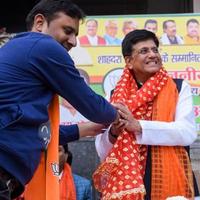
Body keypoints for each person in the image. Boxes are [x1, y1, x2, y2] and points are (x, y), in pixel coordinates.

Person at [0, 0, 121, 199]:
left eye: (75, 34)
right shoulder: (43, 45)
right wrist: (117, 113)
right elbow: (95, 108)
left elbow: (37, 131)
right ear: (40, 23)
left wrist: (84, 129)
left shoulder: (19, 49)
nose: (73, 41)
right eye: (67, 30)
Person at [93, 29, 198, 199]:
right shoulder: (114, 96)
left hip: (171, 177)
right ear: (129, 61)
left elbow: (187, 132)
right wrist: (114, 133)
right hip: (128, 181)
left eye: (155, 49)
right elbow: (101, 150)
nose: (152, 54)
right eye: (144, 51)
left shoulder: (178, 87)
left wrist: (139, 126)